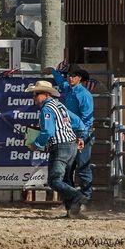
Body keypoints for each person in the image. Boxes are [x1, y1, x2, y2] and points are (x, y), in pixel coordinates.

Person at [27, 79, 84, 218]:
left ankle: (77, 196)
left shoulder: (46, 109)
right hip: (71, 145)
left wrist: (36, 144)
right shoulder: (59, 105)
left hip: (60, 146)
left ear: (45, 94)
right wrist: (80, 136)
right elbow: (77, 122)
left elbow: (48, 132)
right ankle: (72, 211)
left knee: (54, 180)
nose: (33, 98)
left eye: (35, 94)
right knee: (66, 180)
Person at [49, 63, 95, 206]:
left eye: (73, 76)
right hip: (70, 133)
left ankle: (84, 200)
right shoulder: (68, 88)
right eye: (69, 75)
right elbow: (60, 81)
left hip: (80, 133)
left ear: (79, 78)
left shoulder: (84, 95)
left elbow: (87, 118)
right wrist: (53, 71)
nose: (70, 78)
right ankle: (73, 201)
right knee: (69, 169)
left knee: (82, 167)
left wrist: (82, 136)